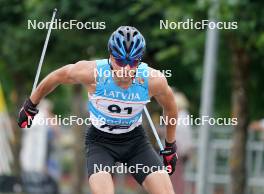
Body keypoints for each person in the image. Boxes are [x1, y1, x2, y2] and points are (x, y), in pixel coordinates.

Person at [18, 26, 178, 194]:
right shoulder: (93, 73)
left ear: (140, 60)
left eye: (133, 62)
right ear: (111, 56)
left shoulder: (153, 80)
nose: (126, 69)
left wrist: (170, 146)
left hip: (135, 142)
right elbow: (57, 76)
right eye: (121, 61)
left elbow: (171, 108)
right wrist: (30, 105)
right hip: (100, 143)